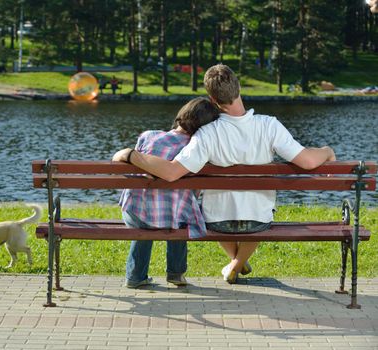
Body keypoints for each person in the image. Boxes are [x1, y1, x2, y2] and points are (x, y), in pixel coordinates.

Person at [113, 64, 336, 284]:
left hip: (217, 222)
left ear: (212, 98)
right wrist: (327, 151)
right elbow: (307, 161)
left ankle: (235, 263)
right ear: (238, 88)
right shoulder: (269, 125)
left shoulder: (207, 133)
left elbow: (171, 172)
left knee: (215, 209)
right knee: (259, 215)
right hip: (258, 221)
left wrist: (132, 155)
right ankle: (236, 264)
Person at [121, 97, 220, 288]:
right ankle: (176, 274)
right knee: (182, 214)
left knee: (146, 214)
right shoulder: (195, 149)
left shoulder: (148, 136)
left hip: (135, 214)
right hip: (173, 220)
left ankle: (135, 277)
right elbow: (196, 190)